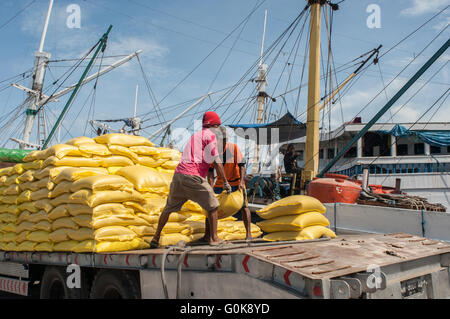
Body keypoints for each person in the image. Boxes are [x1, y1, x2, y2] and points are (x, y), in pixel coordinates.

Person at [150, 112, 232, 248]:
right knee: (213, 205)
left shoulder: (196, 136)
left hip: (179, 175)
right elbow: (217, 161)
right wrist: (225, 182)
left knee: (168, 208)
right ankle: (214, 238)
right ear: (215, 125)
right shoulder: (210, 135)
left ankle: (155, 237)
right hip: (192, 176)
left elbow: (203, 162)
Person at [207, 126, 252, 240]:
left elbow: (242, 166)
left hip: (236, 182)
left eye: (224, 139)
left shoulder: (233, 148)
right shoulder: (213, 151)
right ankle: (208, 235)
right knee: (211, 206)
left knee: (244, 207)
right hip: (220, 184)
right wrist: (211, 186)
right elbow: (210, 171)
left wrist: (241, 182)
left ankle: (248, 234)